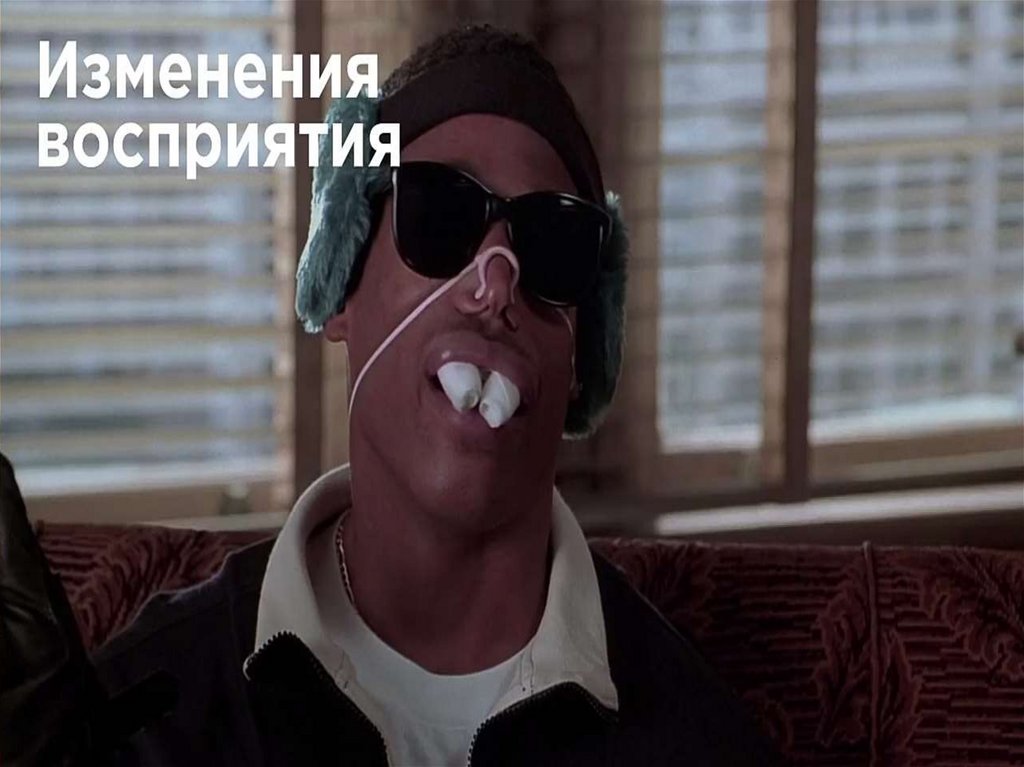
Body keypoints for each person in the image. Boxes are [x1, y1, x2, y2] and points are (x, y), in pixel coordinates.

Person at [0, 25, 776, 767]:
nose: (494, 285)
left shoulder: (695, 737)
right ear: (340, 284)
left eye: (552, 242)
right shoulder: (147, 713)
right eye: (441, 212)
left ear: (584, 356)